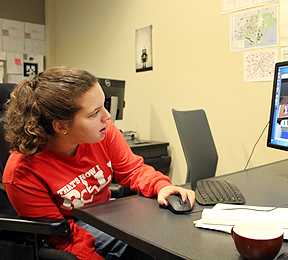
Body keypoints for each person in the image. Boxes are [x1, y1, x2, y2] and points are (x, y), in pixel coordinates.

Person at [2, 66, 195, 260]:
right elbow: (61, 237)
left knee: (173, 231)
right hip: (72, 229)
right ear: (61, 126)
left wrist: (161, 186)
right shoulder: (21, 171)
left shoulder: (103, 131)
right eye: (95, 113)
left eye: (104, 106)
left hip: (104, 213)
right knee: (152, 248)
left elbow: (132, 170)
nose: (107, 116)